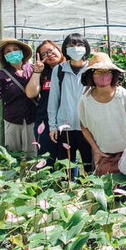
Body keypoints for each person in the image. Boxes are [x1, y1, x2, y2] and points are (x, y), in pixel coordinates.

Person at [78, 53, 126, 175]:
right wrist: (95, 150)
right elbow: (84, 127)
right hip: (103, 155)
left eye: (107, 71)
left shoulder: (123, 96)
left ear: (113, 75)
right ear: (91, 75)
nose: (103, 76)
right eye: (98, 72)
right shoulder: (85, 100)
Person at [47, 33, 92, 172]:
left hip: (87, 126)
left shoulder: (92, 69)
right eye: (71, 45)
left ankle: (89, 191)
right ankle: (69, 189)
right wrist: (53, 126)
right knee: (66, 167)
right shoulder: (59, 70)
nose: (76, 48)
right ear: (65, 49)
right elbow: (53, 99)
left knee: (90, 165)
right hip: (64, 127)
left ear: (86, 48)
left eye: (79, 45)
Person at [25, 40, 64, 159]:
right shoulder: (43, 73)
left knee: (68, 159)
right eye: (44, 54)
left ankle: (69, 178)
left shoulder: (69, 70)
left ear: (59, 49)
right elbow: (31, 93)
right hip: (44, 121)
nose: (49, 54)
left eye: (51, 50)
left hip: (66, 121)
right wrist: (37, 71)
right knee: (46, 159)